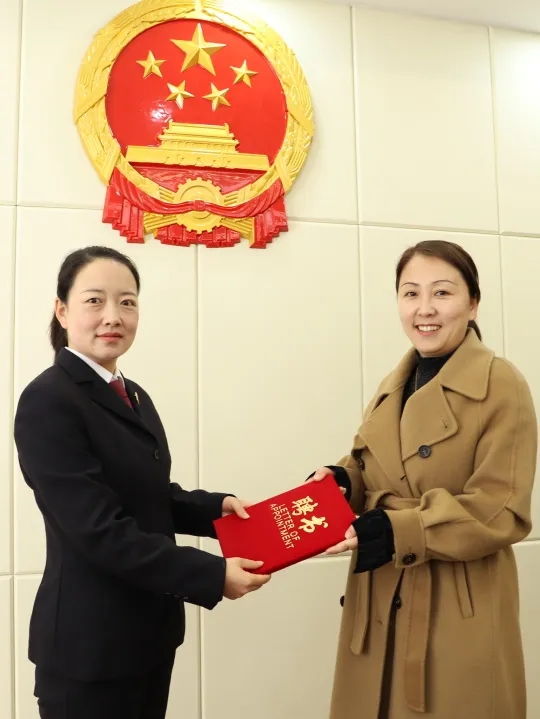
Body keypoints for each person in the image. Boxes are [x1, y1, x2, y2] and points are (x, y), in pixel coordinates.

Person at [14, 246, 271, 719]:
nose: (113, 316)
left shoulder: (132, 394)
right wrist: (212, 575)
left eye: (127, 302)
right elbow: (99, 530)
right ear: (62, 310)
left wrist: (216, 509)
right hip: (89, 650)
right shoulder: (48, 401)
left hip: (148, 637)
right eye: (95, 300)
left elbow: (148, 495)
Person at [307, 240, 537, 719]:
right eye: (410, 293)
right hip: (379, 596)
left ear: (473, 304)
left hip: (456, 604)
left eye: (442, 293)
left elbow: (501, 508)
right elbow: (374, 463)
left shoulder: (501, 384)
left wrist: (400, 529)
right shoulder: (395, 382)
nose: (424, 309)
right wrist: (344, 479)